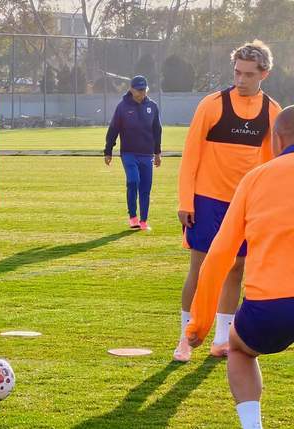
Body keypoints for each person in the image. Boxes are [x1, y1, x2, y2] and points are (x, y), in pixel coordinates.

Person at [186, 105, 294, 429]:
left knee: (240, 350)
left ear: (276, 140)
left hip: (271, 304)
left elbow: (219, 255)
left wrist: (199, 325)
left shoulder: (256, 178)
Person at [173, 40, 281, 362]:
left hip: (245, 204)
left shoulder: (272, 111)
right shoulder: (211, 104)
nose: (241, 79)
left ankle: (222, 339)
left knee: (236, 269)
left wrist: (268, 205)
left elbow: (273, 164)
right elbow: (190, 155)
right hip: (206, 201)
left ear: (264, 74)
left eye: (249, 74)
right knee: (200, 267)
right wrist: (186, 201)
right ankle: (185, 338)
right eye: (237, 72)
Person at [104, 75, 162, 231]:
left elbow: (157, 130)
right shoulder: (122, 107)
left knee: (145, 187)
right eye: (138, 90)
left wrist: (157, 153)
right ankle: (133, 217)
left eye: (144, 90)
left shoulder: (152, 106)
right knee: (133, 181)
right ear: (131, 89)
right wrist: (108, 151)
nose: (141, 93)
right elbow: (113, 129)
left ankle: (143, 221)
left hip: (147, 154)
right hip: (129, 153)